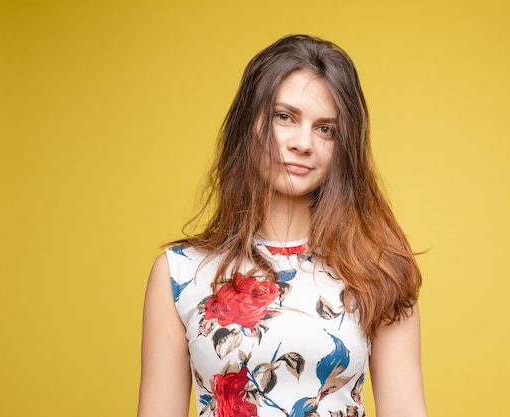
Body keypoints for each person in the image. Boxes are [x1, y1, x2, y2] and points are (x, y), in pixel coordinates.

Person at [138, 34, 427, 417]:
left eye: (326, 128)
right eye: (285, 117)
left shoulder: (379, 270)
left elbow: (406, 409)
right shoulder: (178, 274)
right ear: (249, 124)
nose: (303, 142)